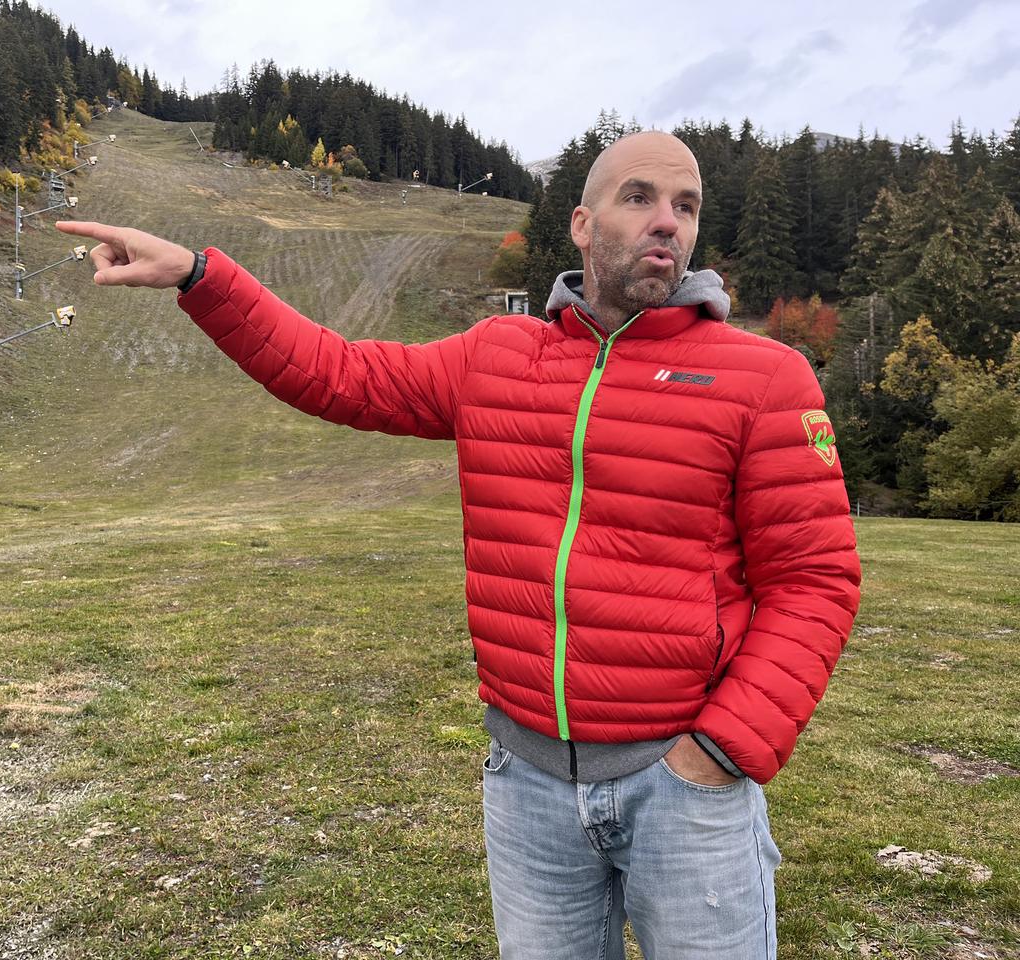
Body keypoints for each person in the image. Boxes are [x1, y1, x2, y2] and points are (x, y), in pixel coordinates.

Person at [56, 130, 861, 959]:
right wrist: (201, 276)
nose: (668, 222)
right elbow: (341, 374)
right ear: (582, 225)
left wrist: (722, 751)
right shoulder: (498, 357)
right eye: (640, 198)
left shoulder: (765, 378)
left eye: (685, 207)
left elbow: (816, 581)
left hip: (685, 791)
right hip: (529, 786)